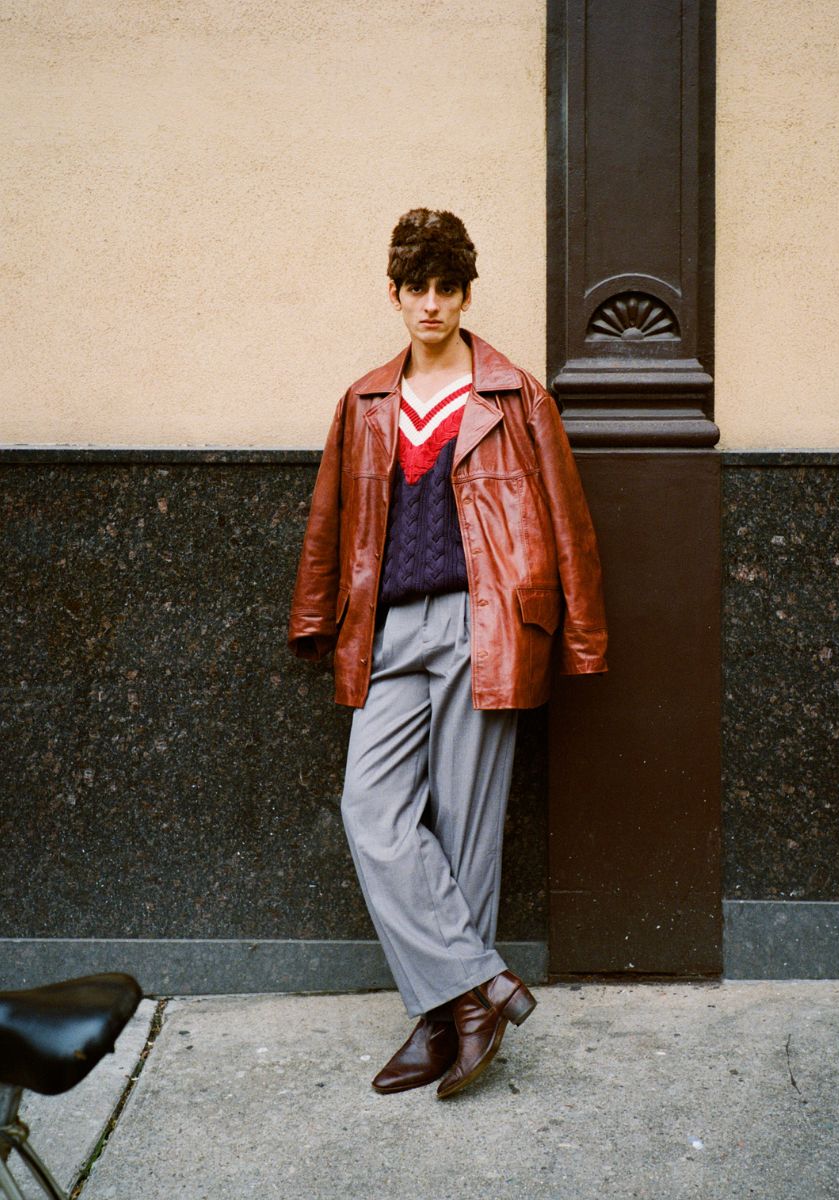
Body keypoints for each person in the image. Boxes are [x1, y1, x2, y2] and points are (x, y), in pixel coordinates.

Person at [287, 208, 608, 1098]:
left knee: (465, 834)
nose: (431, 303)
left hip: (487, 624)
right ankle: (483, 989)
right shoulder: (364, 400)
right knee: (372, 810)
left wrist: (580, 637)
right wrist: (316, 617)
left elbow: (567, 520)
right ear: (394, 295)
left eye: (447, 287)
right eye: (415, 288)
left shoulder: (515, 394)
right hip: (389, 629)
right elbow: (331, 522)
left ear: (466, 294)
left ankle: (446, 1024)